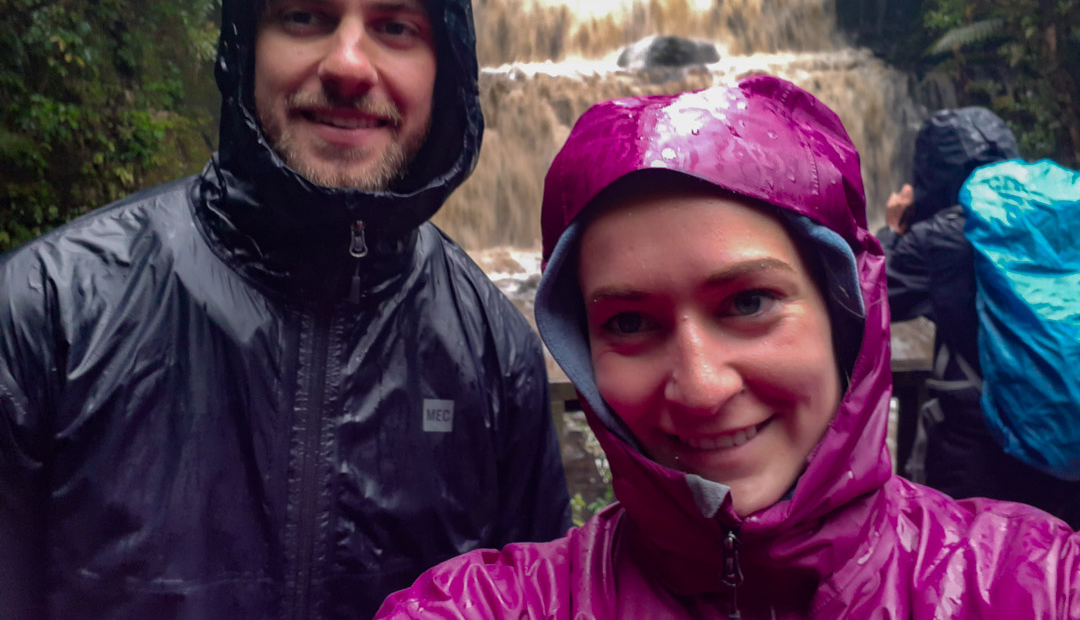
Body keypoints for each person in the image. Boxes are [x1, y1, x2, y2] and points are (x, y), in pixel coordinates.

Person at [0, 0, 570, 619]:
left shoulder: (495, 357)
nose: (349, 66)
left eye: (396, 29)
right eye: (305, 17)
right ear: (245, 47)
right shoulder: (47, 317)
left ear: (448, 75)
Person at [374, 77, 1080, 619]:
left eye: (748, 303)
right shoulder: (494, 605)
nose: (703, 386)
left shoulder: (1037, 583)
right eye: (627, 323)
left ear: (846, 314)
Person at [879, 107, 1080, 526]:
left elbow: (869, 293)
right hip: (1069, 438)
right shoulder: (1062, 206)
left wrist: (894, 230)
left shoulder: (939, 237)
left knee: (975, 572)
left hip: (982, 452)